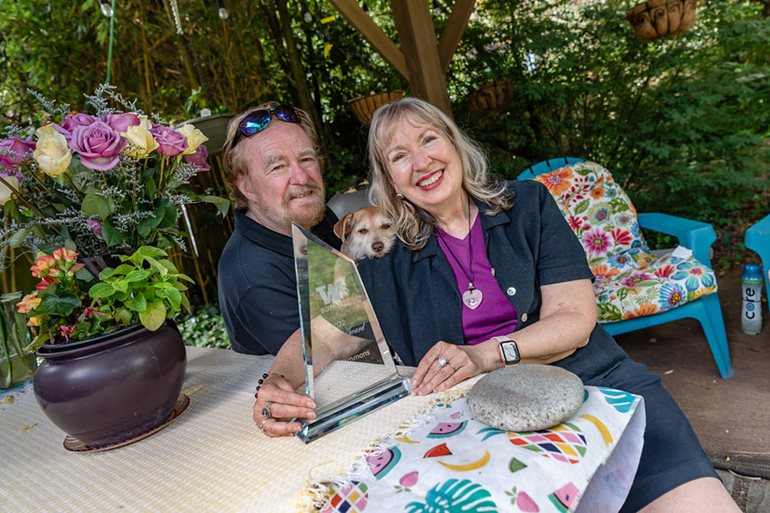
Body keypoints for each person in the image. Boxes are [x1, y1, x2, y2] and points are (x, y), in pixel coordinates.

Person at [254, 98, 740, 513]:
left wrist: (486, 353)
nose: (421, 162)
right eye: (400, 156)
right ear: (390, 182)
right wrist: (277, 381)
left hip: (597, 384)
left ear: (455, 144)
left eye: (428, 140)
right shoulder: (390, 254)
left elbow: (574, 318)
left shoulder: (529, 206)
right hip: (473, 422)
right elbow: (324, 335)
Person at [217, 102, 340, 355]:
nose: (302, 178)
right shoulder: (252, 274)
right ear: (247, 187)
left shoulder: (314, 219)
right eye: (278, 167)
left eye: (306, 159)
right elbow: (331, 358)